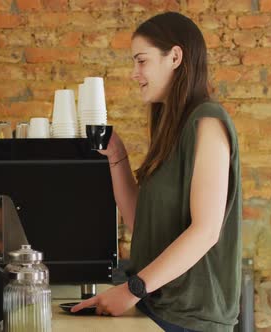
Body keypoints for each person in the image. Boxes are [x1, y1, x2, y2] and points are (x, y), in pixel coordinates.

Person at [72, 12, 242, 332]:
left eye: (142, 61)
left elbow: (206, 231)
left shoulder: (207, 121)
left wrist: (132, 289)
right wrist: (117, 155)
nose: (135, 74)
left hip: (191, 318)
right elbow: (143, 223)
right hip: (158, 307)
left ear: (174, 57)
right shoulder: (171, 129)